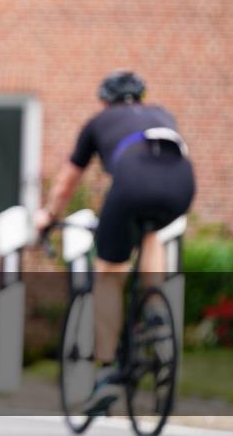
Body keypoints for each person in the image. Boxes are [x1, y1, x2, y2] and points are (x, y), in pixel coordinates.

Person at [35, 70, 195, 415]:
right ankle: (154, 312)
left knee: (109, 270)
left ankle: (107, 370)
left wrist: (48, 216)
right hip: (182, 184)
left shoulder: (99, 121)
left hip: (133, 182)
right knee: (151, 231)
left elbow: (66, 183)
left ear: (105, 99)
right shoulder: (162, 114)